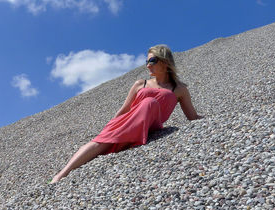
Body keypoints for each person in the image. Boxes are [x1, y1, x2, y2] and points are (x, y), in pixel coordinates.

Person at [51, 44, 201, 184]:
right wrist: (109, 127)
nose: (148, 65)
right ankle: (60, 175)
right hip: (128, 122)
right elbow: (124, 109)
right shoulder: (140, 83)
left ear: (165, 61)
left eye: (152, 60)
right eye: (147, 61)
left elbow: (192, 117)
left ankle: (127, 139)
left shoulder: (180, 89)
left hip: (152, 126)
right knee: (99, 142)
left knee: (150, 103)